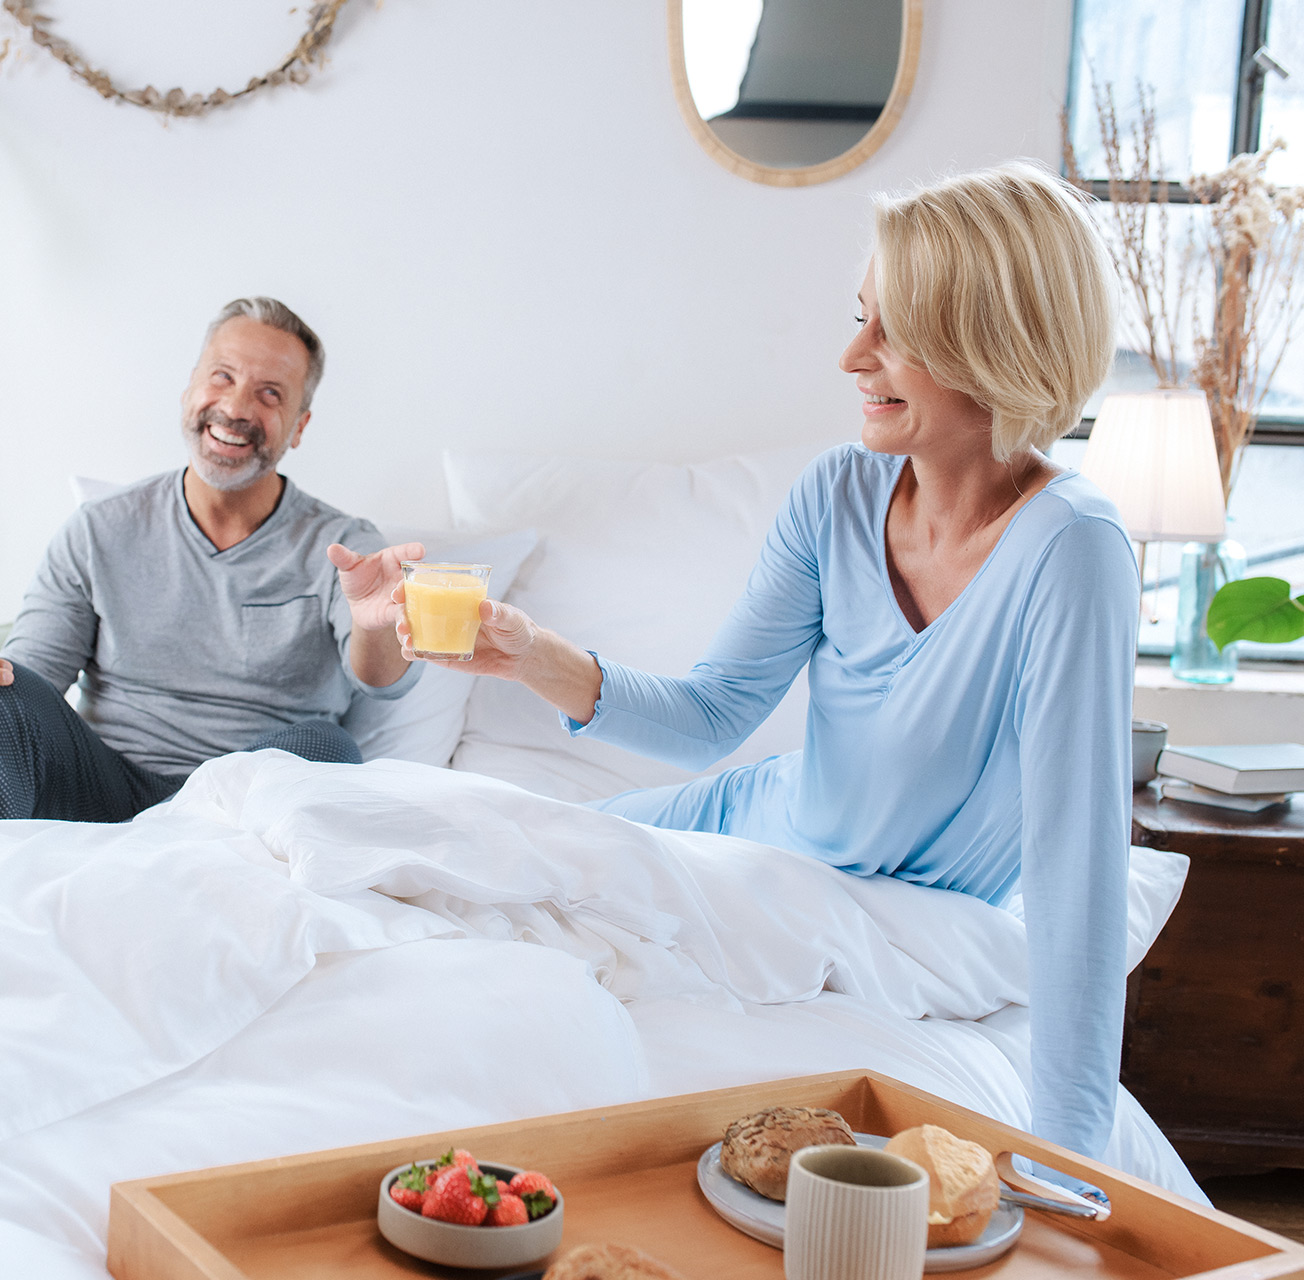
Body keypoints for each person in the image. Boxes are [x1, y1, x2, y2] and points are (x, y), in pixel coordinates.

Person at [400, 163, 1135, 1168]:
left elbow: (1076, 867)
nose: (851, 355)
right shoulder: (835, 492)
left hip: (831, 893)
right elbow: (713, 715)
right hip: (739, 826)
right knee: (457, 858)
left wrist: (1077, 1163)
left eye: (894, 330)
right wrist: (532, 654)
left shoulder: (1071, 547)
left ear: (992, 341)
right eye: (859, 316)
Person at [0, 297, 421, 831]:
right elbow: (27, 675)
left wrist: (375, 625)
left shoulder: (345, 546)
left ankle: (170, 854)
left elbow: (384, 681)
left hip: (244, 806)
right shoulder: (98, 531)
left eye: (270, 394)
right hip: (103, 790)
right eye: (222, 377)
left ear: (298, 426)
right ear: (189, 390)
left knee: (328, 746)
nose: (238, 408)